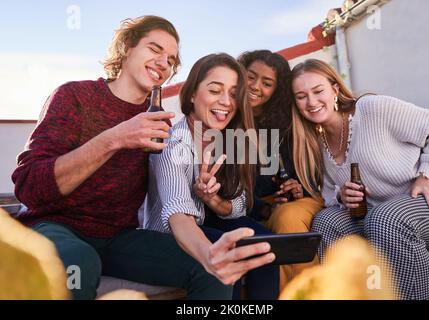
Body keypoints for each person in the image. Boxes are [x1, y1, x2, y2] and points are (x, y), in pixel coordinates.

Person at [11, 15, 234, 300]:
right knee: (79, 261)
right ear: (128, 47)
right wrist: (115, 139)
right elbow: (30, 187)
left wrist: (203, 188)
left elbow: (172, 196)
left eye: (171, 60)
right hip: (55, 227)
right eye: (155, 49)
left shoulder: (160, 122)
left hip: (119, 237)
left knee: (214, 266)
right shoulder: (75, 96)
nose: (163, 63)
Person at [290, 58, 429, 299]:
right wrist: (342, 195)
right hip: (380, 212)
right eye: (301, 96)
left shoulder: (373, 109)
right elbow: (328, 192)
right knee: (325, 222)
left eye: (318, 90)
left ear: (334, 89)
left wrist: (427, 175)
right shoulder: (316, 141)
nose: (311, 102)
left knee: (385, 220)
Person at [144, 53, 279, 299]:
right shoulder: (172, 143)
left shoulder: (231, 139)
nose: (226, 101)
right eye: (216, 90)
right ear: (193, 94)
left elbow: (240, 205)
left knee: (263, 242)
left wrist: (214, 200)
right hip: (170, 233)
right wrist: (213, 254)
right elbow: (178, 214)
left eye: (233, 93)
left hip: (206, 220)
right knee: (232, 249)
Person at [237, 50, 323, 290]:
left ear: (276, 90)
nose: (255, 86)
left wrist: (296, 185)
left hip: (286, 203)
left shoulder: (283, 123)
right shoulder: (224, 117)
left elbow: (302, 173)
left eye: (267, 83)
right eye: (250, 76)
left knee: (286, 218)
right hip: (246, 207)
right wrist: (262, 206)